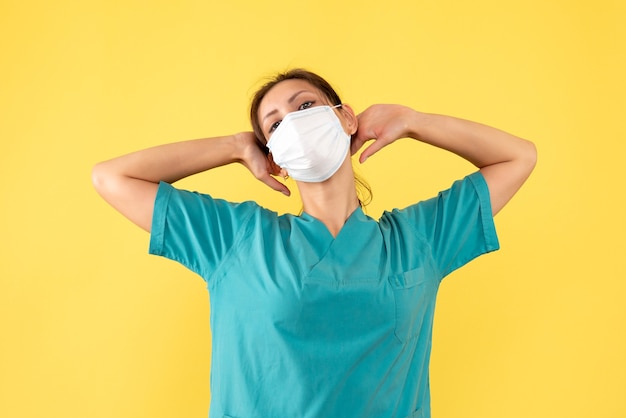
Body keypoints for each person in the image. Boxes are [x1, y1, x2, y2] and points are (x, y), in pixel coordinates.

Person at [92, 68, 537, 418]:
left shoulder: (418, 241)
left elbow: (518, 157)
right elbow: (111, 178)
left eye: (305, 105)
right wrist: (231, 146)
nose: (295, 124)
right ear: (274, 156)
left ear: (345, 118)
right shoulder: (236, 241)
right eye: (276, 125)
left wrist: (414, 122)